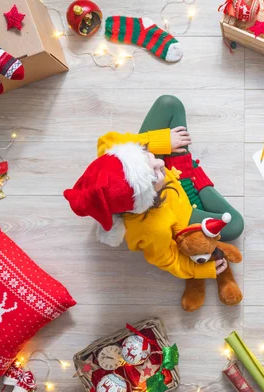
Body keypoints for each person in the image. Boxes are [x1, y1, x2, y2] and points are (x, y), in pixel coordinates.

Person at [64, 95, 244, 282]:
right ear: (146, 196)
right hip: (183, 211)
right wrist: (198, 270)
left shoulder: (112, 153)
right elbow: (167, 259)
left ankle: (181, 168)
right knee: (235, 225)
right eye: (157, 171)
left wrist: (162, 141)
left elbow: (108, 142)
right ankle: (191, 174)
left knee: (169, 103)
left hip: (167, 182)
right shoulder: (151, 230)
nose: (159, 161)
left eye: (148, 156)